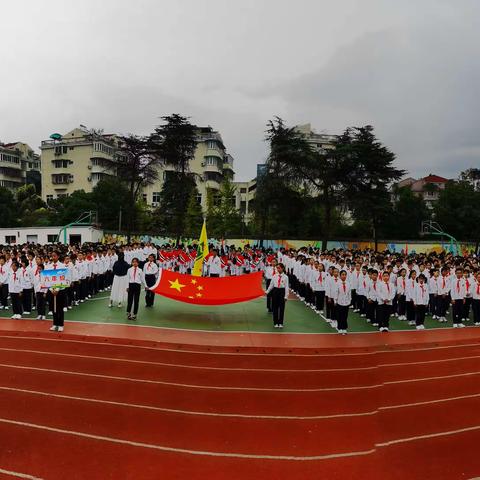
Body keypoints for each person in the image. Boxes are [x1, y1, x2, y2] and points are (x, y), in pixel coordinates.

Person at [265, 263, 289, 329]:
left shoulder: (286, 277)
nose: (278, 269)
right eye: (277, 268)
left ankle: (280, 323)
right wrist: (267, 291)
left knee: (281, 308)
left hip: (282, 291)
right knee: (275, 307)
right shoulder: (274, 276)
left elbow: (287, 287)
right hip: (275, 291)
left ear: (282, 268)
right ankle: (275, 322)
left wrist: (286, 296)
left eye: (279, 268)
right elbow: (271, 285)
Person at [332, 270, 351, 335]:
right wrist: (335, 300)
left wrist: (349, 301)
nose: (344, 276)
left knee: (345, 316)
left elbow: (349, 293)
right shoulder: (337, 283)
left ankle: (344, 328)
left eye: (345, 275)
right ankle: (340, 328)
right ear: (340, 276)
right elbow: (336, 292)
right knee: (340, 315)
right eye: (342, 274)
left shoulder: (348, 283)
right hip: (339, 302)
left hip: (346, 302)